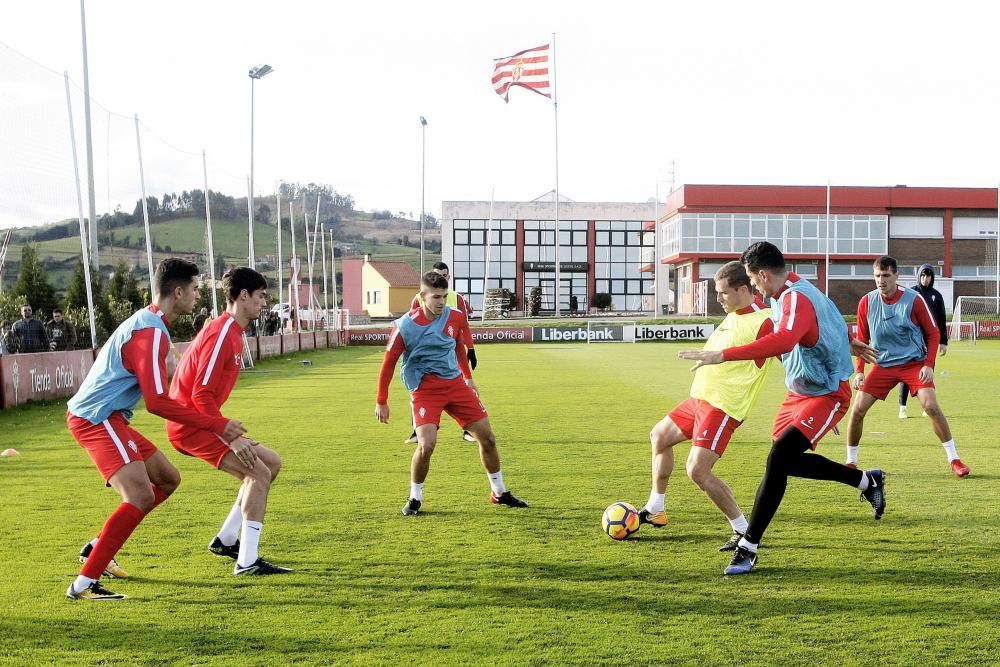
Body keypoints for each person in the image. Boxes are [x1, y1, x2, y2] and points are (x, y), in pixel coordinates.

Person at [679, 241, 883, 576]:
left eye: (753, 280)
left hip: (827, 392)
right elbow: (822, 322)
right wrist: (847, 342)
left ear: (761, 274)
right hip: (800, 393)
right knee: (785, 461)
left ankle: (748, 546)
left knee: (778, 459)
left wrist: (722, 355)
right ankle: (865, 481)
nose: (755, 288)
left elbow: (786, 339)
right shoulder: (793, 290)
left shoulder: (796, 297)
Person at [65, 259, 246, 600]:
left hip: (111, 417)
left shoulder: (151, 324)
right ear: (177, 292)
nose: (196, 297)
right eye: (194, 290)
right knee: (140, 495)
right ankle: (84, 584)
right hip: (96, 417)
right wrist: (218, 424)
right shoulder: (150, 332)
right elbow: (157, 403)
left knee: (167, 479)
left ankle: (99, 548)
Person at [638, 261, 776, 551]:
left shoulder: (764, 320)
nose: (718, 299)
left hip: (723, 407)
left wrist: (814, 391)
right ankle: (656, 507)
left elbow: (784, 353)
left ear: (742, 288)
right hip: (699, 399)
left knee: (697, 470)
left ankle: (743, 530)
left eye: (723, 293)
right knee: (659, 436)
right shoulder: (732, 315)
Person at [167, 267, 291, 575]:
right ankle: (247, 562)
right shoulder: (223, 333)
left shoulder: (231, 331)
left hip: (202, 420)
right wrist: (230, 435)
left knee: (271, 463)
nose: (265, 303)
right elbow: (200, 393)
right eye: (261, 296)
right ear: (243, 296)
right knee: (258, 474)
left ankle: (226, 539)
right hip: (192, 424)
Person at [376, 270, 527, 516]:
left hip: (456, 385)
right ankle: (415, 498)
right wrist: (381, 401)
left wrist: (468, 378)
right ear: (423, 296)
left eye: (445, 296)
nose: (441, 302)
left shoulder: (455, 317)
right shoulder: (405, 326)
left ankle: (499, 493)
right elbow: (389, 363)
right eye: (436, 297)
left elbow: (458, 346)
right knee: (426, 445)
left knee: (488, 438)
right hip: (425, 390)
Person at [845, 257, 969, 478]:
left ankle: (955, 459)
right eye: (876, 276)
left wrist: (929, 365)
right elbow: (861, 340)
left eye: (885, 276)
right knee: (857, 410)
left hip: (913, 363)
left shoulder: (914, 300)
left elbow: (933, 333)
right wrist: (860, 372)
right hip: (882, 364)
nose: (880, 280)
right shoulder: (866, 302)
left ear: (896, 276)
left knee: (930, 405)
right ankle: (851, 462)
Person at [405, 261, 478, 444]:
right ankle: (418, 429)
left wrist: (470, 348)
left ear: (449, 277)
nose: (441, 278)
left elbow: (464, 326)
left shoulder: (456, 298)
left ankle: (469, 430)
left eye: (444, 276)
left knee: (466, 385)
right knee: (419, 390)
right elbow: (412, 326)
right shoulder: (418, 298)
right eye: (438, 275)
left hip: (453, 351)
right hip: (426, 357)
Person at [897, 264, 948, 419]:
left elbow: (941, 319)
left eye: (929, 276)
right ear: (919, 276)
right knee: (906, 373)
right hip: (911, 341)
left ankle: (927, 406)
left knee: (928, 373)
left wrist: (943, 341)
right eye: (923, 275)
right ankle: (902, 407)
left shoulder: (936, 296)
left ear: (932, 277)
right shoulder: (911, 293)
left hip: (930, 341)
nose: (926, 279)